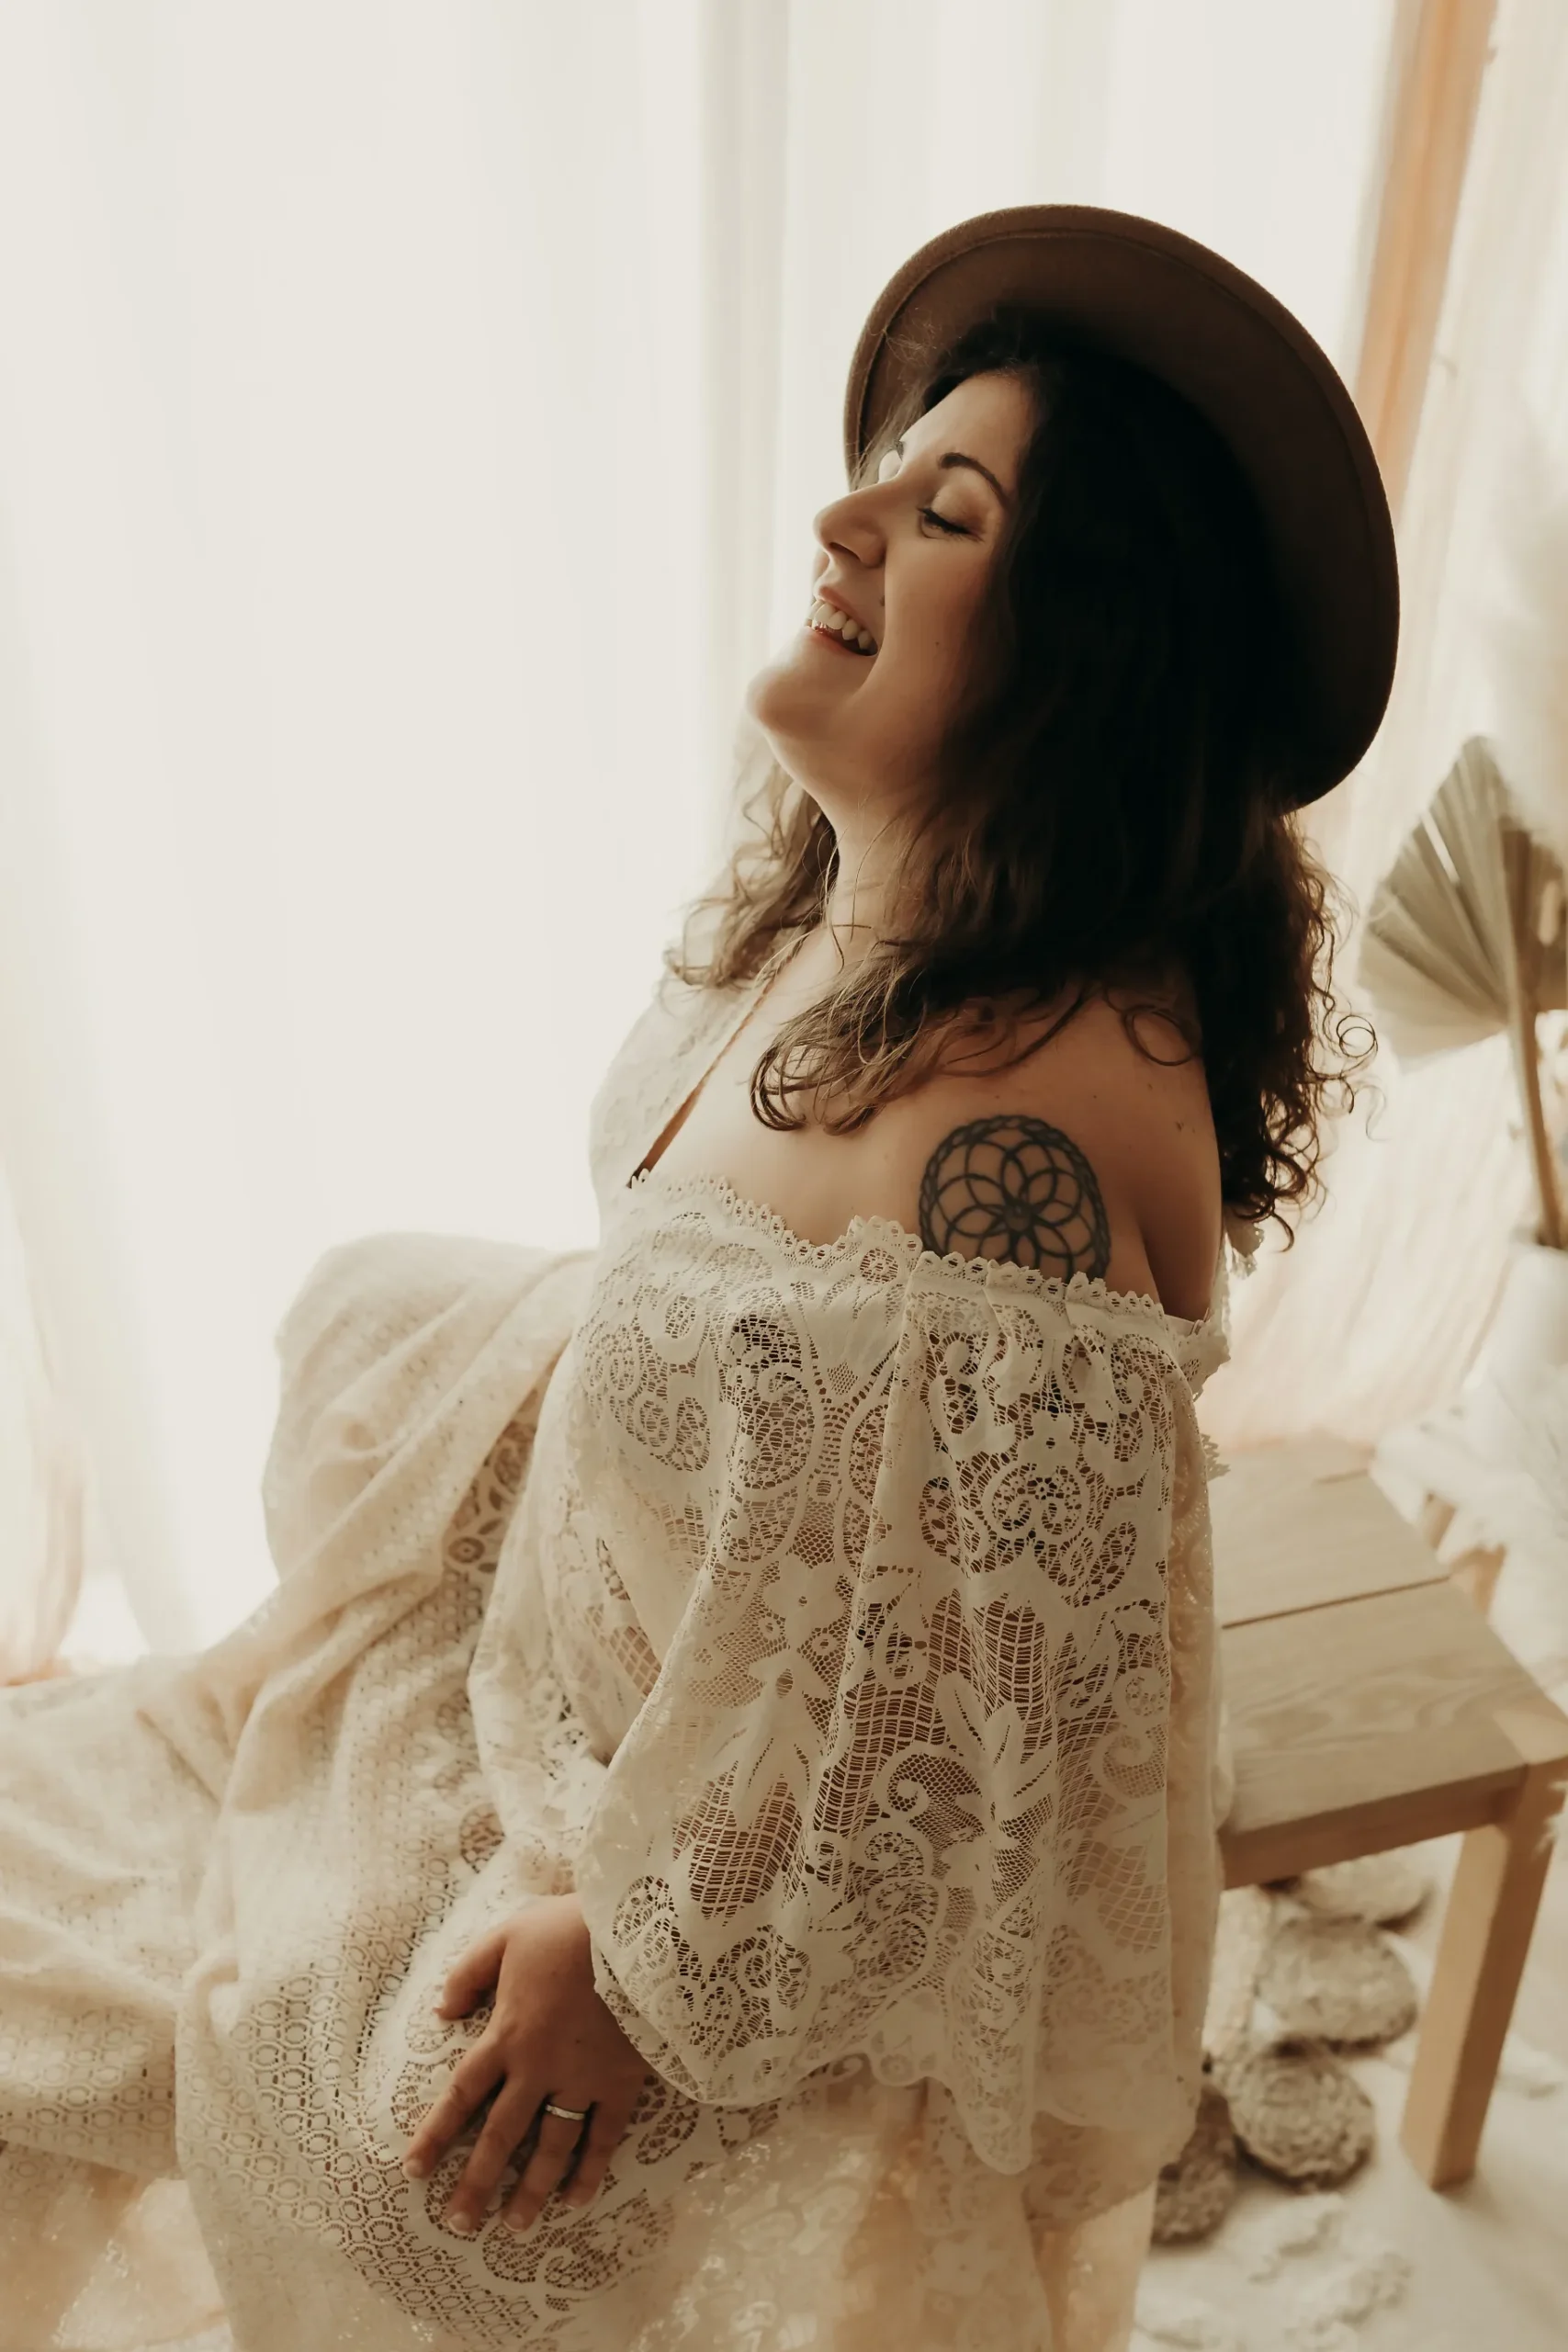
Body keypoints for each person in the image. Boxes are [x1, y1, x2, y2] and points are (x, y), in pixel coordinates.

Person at [0, 206, 1396, 2352]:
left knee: (190, 2038)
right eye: (887, 473)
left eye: (944, 510)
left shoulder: (1015, 1180)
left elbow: (963, 1739)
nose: (841, 523)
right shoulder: (865, 910)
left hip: (694, 1879)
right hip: (549, 1660)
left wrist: (636, 1964)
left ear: (1090, 653)